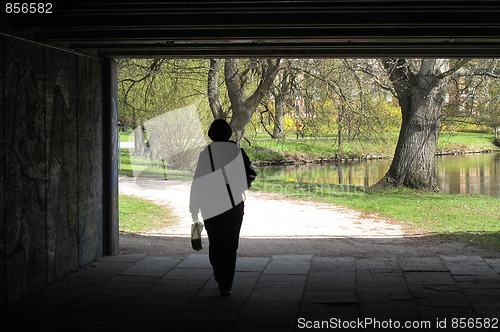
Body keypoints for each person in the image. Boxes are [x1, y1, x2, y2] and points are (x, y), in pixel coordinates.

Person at [189, 119, 252, 297]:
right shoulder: (238, 152)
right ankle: (227, 284)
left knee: (216, 244)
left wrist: (194, 208)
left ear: (211, 134)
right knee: (231, 245)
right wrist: (240, 186)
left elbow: (198, 181)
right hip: (234, 206)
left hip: (211, 206)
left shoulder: (206, 154)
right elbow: (251, 174)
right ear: (228, 133)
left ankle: (219, 275)